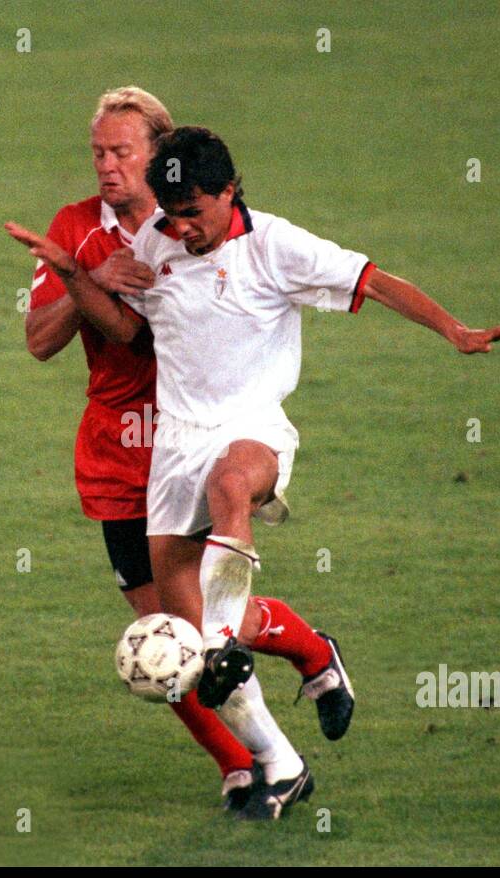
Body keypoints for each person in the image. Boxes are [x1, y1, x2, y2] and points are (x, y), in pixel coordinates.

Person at [7, 126, 500, 818]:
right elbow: (129, 333)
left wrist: (455, 331)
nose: (181, 227)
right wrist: (75, 275)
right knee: (183, 632)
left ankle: (229, 646)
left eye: (194, 212)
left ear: (229, 191)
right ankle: (288, 735)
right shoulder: (159, 241)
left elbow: (374, 283)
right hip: (174, 446)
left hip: (252, 429)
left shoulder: (278, 246)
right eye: (172, 213)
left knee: (231, 491)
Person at [23, 89, 320, 816]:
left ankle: (278, 749)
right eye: (98, 152)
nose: (107, 166)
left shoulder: (191, 223)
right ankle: (248, 752)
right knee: (162, 634)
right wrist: (82, 276)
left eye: (122, 152)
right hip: (118, 454)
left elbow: (170, 320)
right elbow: (39, 341)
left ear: (160, 157)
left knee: (195, 625)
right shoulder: (75, 228)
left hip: (196, 441)